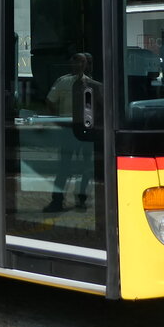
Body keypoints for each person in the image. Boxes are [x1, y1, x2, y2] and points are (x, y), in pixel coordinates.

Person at [44, 48, 99, 212]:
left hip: (86, 130)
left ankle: (81, 199)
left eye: (82, 61)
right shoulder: (63, 81)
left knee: (86, 167)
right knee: (64, 167)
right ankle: (57, 200)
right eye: (76, 61)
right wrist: (59, 121)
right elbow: (50, 101)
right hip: (68, 129)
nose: (79, 64)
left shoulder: (92, 84)